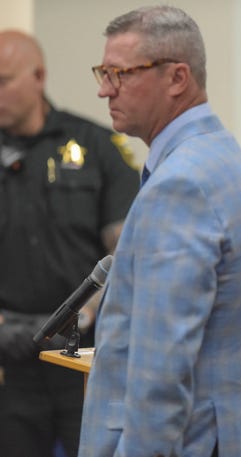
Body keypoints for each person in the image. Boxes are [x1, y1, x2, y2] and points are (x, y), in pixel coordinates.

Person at [78, 6, 241, 457]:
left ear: (177, 78)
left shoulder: (182, 185)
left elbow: (159, 378)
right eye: (102, 72)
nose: (103, 89)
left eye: (119, 73)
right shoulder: (219, 157)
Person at [0, 30, 140, 457]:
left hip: (86, 361)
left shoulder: (97, 147)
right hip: (8, 365)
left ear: (38, 76)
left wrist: (82, 316)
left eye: (3, 80)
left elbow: (127, 255)